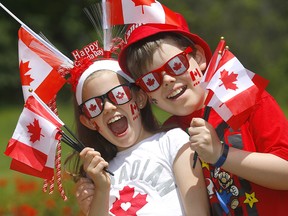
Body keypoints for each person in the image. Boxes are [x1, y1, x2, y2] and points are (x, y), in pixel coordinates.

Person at [115, 14, 288, 215]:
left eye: (176, 64)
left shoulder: (246, 98)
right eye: (151, 80)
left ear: (198, 58)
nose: (168, 80)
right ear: (145, 94)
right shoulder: (169, 136)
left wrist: (220, 154)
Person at [66, 57, 210, 215]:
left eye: (118, 94)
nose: (108, 107)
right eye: (94, 106)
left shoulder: (173, 141)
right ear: (89, 122)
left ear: (140, 98)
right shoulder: (96, 175)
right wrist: (99, 194)